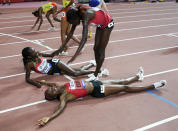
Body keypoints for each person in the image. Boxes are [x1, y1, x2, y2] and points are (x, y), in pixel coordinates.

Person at [37, 67, 167, 126]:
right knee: (125, 89)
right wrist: (49, 117)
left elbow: (49, 83)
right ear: (55, 96)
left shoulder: (58, 86)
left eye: (50, 89)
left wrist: (42, 82)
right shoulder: (64, 96)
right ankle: (154, 86)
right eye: (51, 92)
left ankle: (138, 76)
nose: (52, 88)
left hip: (95, 82)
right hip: (98, 90)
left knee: (121, 81)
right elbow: (60, 108)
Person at [57, 4, 114, 80]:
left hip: (108, 24)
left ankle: (96, 74)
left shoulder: (86, 15)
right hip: (100, 25)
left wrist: (75, 56)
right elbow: (70, 33)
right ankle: (98, 70)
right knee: (95, 48)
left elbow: (84, 38)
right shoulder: (77, 14)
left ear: (76, 18)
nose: (73, 24)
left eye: (73, 22)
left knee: (100, 49)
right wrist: (61, 47)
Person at [22, 47, 96, 88]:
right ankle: (91, 64)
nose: (35, 52)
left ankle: (96, 72)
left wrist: (57, 51)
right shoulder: (29, 64)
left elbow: (51, 56)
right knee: (77, 70)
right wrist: (36, 84)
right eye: (33, 52)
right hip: (54, 72)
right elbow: (27, 79)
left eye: (34, 50)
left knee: (75, 74)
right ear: (29, 56)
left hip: (56, 63)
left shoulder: (38, 54)